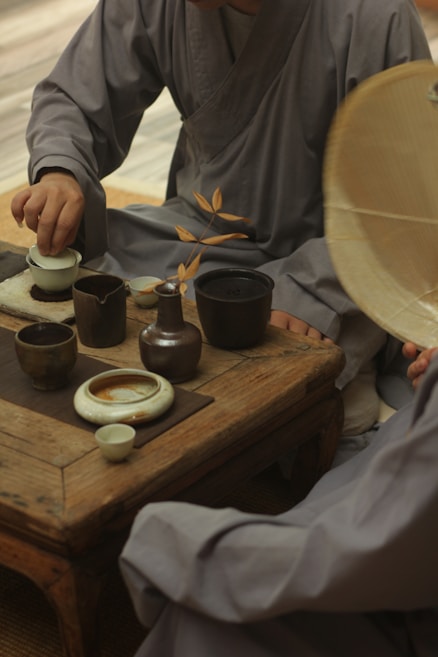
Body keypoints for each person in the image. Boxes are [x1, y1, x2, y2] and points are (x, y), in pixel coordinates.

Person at [10, 0, 431, 434]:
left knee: (259, 377)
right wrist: (60, 171)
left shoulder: (374, 14)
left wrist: (313, 292)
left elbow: (406, 202)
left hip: (335, 259)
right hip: (198, 232)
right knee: (95, 287)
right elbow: (76, 96)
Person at [119, 344, 438, 656]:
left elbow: (362, 552)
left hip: (390, 580)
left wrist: (160, 537)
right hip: (391, 483)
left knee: (207, 612)